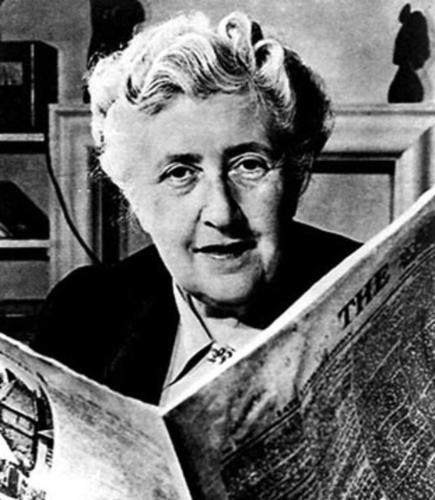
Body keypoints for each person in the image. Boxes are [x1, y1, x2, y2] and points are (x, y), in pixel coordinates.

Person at [34, 11, 360, 405]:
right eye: (180, 173)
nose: (222, 214)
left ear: (296, 177)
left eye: (249, 165)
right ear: (135, 199)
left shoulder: (375, 292)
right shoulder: (81, 313)